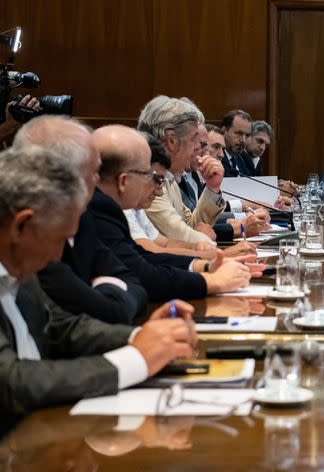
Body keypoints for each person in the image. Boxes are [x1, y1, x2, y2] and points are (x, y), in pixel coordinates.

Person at [0, 146, 196, 414]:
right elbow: (14, 382)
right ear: (21, 225)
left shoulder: (19, 263)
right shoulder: (23, 262)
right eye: (59, 239)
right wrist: (137, 359)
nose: (58, 255)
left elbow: (62, 328)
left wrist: (142, 336)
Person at [90, 125, 261, 302]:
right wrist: (210, 279)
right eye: (150, 176)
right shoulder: (99, 207)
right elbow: (141, 268)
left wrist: (205, 264)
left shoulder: (114, 204)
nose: (199, 150)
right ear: (171, 140)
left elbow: (145, 255)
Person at [15, 116, 148, 324]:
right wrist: (109, 288)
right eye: (94, 171)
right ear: (68, 176)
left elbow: (135, 283)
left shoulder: (82, 216)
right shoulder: (33, 235)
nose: (98, 180)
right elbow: (111, 313)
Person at [138, 95, 227, 244]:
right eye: (193, 140)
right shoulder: (146, 180)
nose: (195, 149)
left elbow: (191, 225)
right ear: (172, 140)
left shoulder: (170, 177)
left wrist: (212, 188)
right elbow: (181, 236)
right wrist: (206, 240)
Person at [220, 109, 256, 177]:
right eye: (239, 133)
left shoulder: (243, 157)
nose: (243, 140)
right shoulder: (216, 157)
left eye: (247, 135)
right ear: (224, 131)